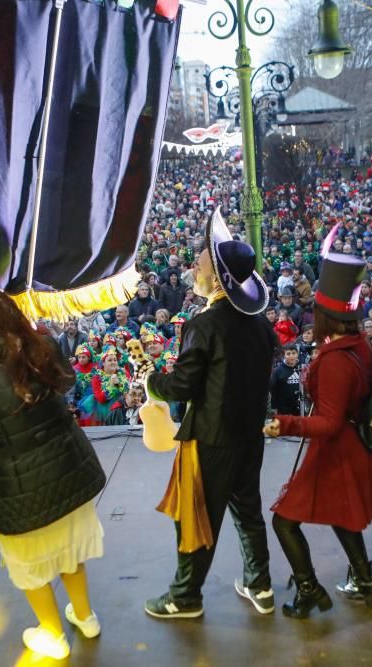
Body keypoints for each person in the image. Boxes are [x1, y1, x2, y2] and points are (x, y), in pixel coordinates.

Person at [0, 289, 107, 658]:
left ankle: (52, 634)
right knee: (70, 550)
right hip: (69, 469)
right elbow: (67, 384)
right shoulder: (43, 347)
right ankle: (85, 616)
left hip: (18, 486)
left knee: (30, 563)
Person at [138, 208, 275, 619]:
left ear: (216, 279)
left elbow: (182, 386)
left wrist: (151, 380)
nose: (194, 265)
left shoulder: (205, 324)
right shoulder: (261, 325)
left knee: (196, 518)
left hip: (213, 439)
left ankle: (185, 597)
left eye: (200, 262)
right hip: (248, 436)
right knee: (248, 511)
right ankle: (260, 585)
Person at [264, 244, 372, 616]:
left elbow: (329, 422)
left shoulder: (335, 361)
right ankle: (366, 583)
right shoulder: (362, 347)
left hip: (337, 453)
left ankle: (309, 590)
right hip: (359, 449)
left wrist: (284, 423)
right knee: (341, 515)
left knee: (284, 521)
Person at [270, 343, 303, 416]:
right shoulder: (278, 371)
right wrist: (274, 407)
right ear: (284, 355)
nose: (291, 356)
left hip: (301, 407)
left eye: (293, 353)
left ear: (297, 354)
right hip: (284, 408)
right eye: (288, 354)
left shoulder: (302, 368)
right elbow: (273, 390)